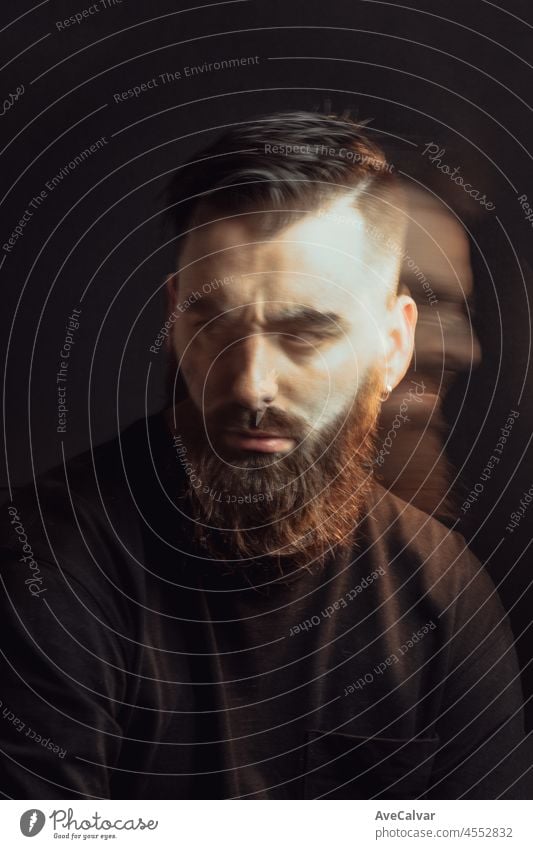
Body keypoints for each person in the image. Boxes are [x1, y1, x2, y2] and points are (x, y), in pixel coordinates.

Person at [0, 111, 529, 799]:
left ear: (393, 345)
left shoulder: (446, 596)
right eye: (213, 321)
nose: (249, 381)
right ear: (173, 315)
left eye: (304, 332)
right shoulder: (47, 565)